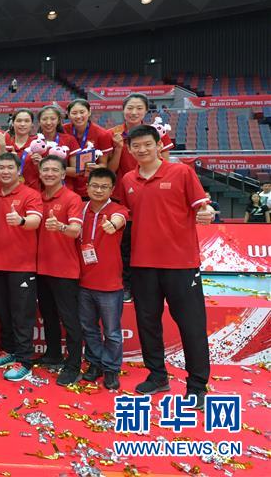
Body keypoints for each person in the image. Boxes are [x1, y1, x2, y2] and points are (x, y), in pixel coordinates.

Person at [118, 125, 214, 408]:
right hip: (142, 264)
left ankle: (197, 385)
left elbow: (202, 206)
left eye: (147, 144)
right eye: (136, 146)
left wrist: (206, 211)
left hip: (181, 264)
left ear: (159, 145)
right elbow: (124, 213)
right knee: (148, 323)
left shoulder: (181, 172)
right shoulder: (128, 179)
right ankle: (157, 376)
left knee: (191, 325)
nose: (142, 150)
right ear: (130, 150)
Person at [107, 93, 174, 302]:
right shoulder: (113, 134)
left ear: (146, 111)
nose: (134, 112)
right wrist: (119, 148)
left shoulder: (157, 132)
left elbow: (166, 165)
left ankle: (156, 286)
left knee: (152, 240)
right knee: (125, 244)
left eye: (139, 108)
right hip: (122, 196)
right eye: (130, 108)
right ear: (123, 109)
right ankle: (126, 285)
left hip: (152, 195)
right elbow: (110, 169)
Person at [0, 152, 43, 382]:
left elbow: (35, 221)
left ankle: (25, 360)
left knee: (22, 314)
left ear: (18, 170)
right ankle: (9, 350)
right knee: (3, 311)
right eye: (1, 167)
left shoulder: (30, 194)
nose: (5, 171)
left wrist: (21, 221)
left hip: (22, 265)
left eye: (10, 167)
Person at [34, 156, 85, 386]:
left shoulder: (71, 198)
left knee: (70, 320)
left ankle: (73, 365)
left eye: (55, 170)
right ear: (40, 173)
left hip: (64, 269)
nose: (50, 173)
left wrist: (60, 226)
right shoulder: (37, 197)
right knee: (48, 315)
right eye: (45, 170)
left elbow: (75, 230)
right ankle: (53, 354)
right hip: (41, 267)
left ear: (64, 174)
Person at [78, 167, 129, 391]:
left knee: (112, 332)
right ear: (87, 187)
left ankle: (111, 369)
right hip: (83, 282)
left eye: (104, 187)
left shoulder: (118, 210)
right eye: (95, 186)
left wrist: (112, 224)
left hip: (110, 284)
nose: (99, 190)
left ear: (112, 189)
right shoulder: (81, 209)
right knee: (89, 329)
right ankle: (95, 363)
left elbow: (120, 219)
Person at [64, 99, 112, 197]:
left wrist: (97, 167)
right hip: (67, 185)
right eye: (74, 113)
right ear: (68, 115)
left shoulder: (102, 134)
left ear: (89, 112)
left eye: (82, 112)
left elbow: (103, 164)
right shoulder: (63, 131)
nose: (78, 116)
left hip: (90, 186)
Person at [4, 109, 40, 190]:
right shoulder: (5, 144)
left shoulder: (38, 145)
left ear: (32, 124)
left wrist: (40, 163)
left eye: (27, 121)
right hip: (9, 191)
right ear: (12, 123)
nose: (22, 124)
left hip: (33, 192)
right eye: (19, 121)